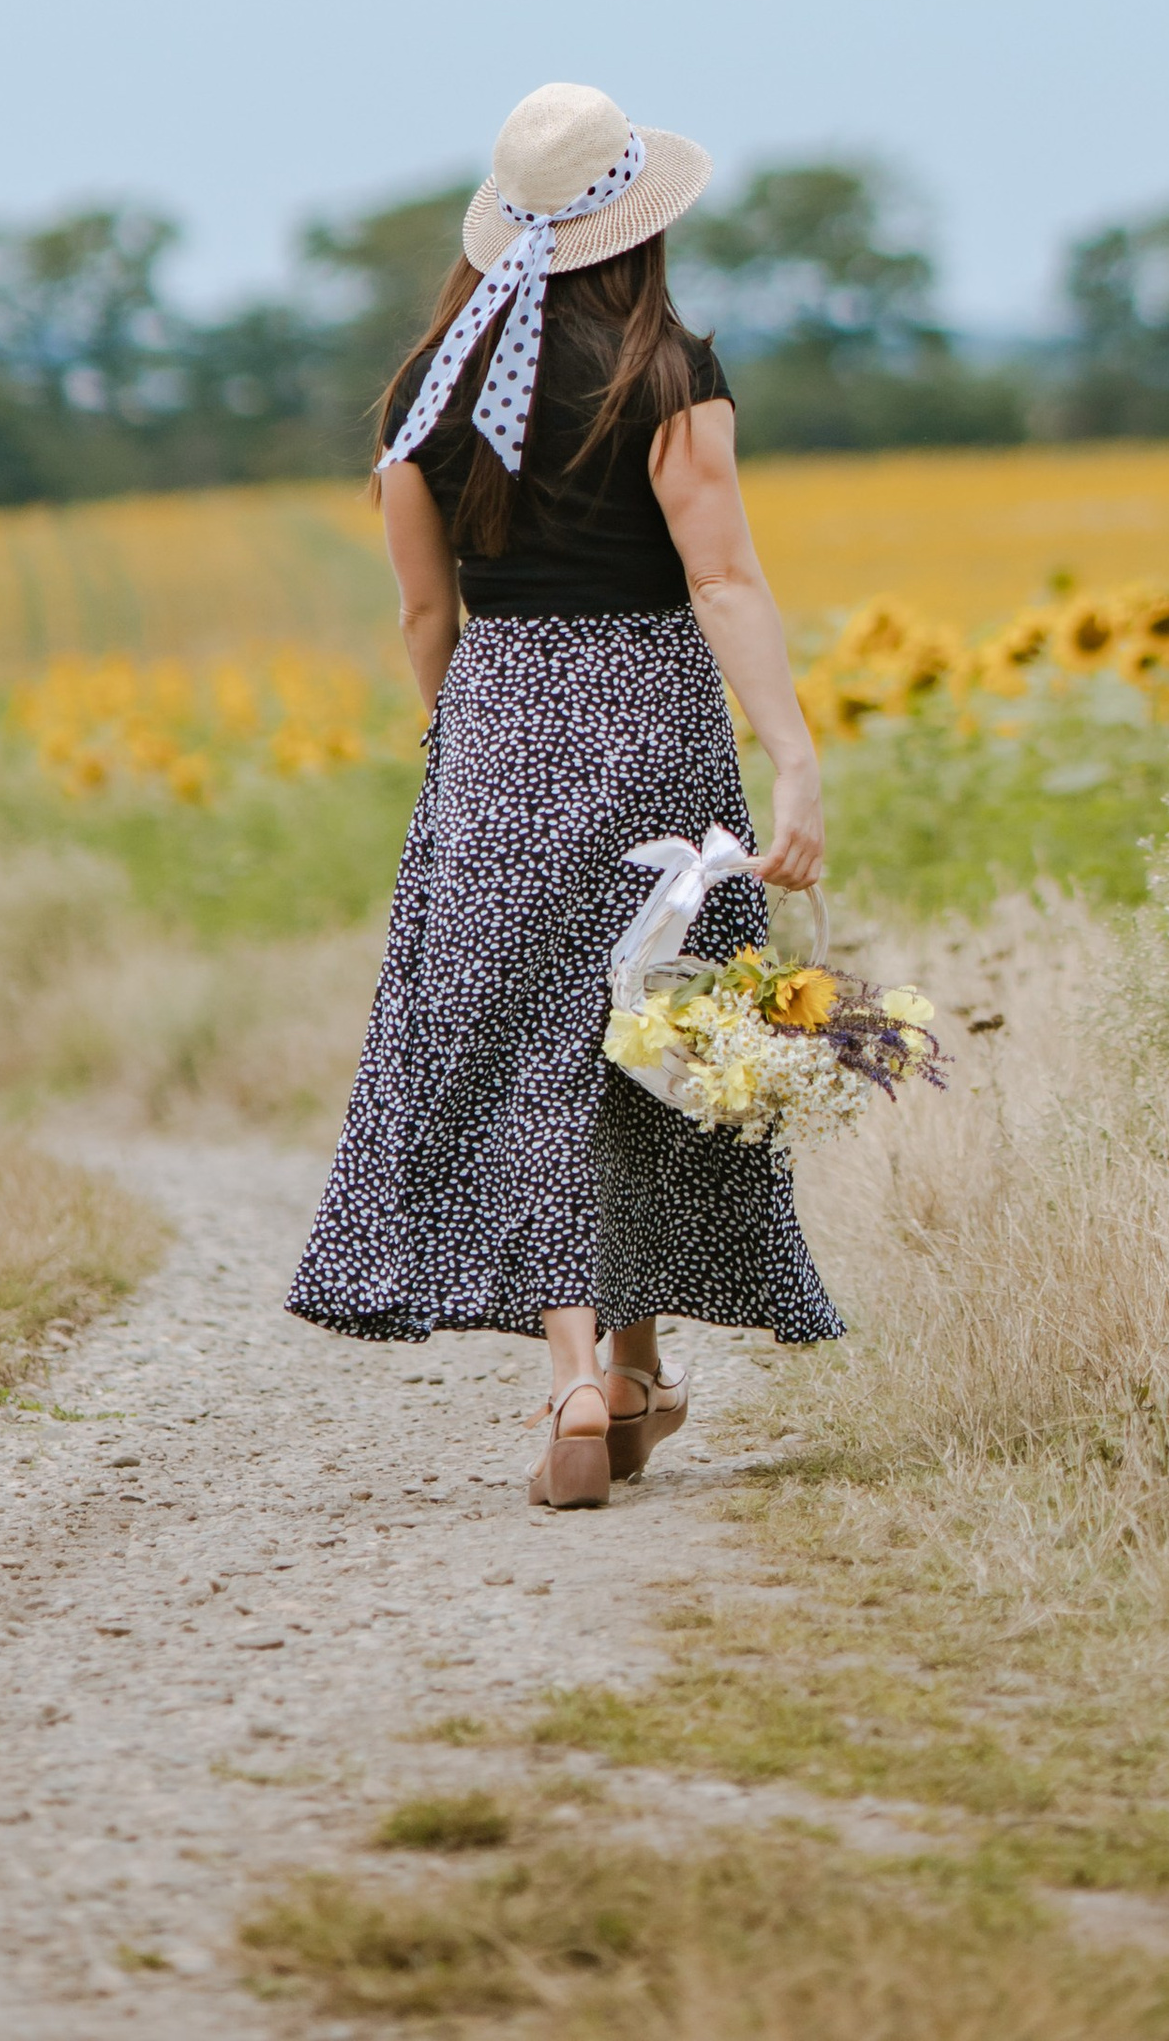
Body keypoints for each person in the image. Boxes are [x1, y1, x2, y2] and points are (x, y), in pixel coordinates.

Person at [286, 81, 841, 1509]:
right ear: (642, 226)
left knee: (526, 1048)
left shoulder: (424, 393)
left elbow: (425, 617)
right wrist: (792, 754)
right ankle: (634, 1370)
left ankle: (588, 1380)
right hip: (653, 727)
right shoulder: (675, 374)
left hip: (496, 735)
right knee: (647, 1037)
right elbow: (721, 577)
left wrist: (467, 744)